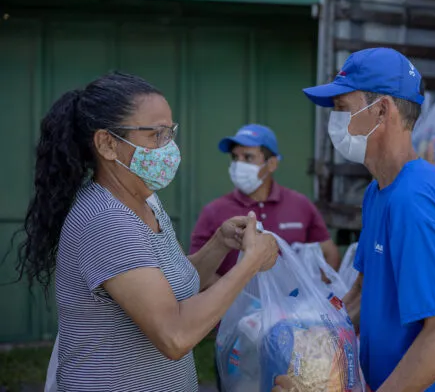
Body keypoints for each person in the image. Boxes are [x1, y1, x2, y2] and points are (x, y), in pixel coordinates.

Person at [15, 72, 278, 392]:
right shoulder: (106, 221)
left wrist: (220, 244)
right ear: (107, 144)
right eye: (156, 135)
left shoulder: (146, 201)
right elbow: (174, 335)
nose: (169, 148)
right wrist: (249, 263)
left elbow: (170, 286)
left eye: (170, 133)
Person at [275, 48, 435, 392]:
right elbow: (363, 291)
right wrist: (307, 344)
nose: (335, 121)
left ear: (381, 110)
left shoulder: (413, 200)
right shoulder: (379, 192)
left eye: (342, 109)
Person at [190, 123, 340, 287]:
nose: (238, 165)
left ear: (272, 164)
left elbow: (329, 254)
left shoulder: (300, 204)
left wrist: (311, 296)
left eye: (248, 157)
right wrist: (236, 300)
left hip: (292, 309)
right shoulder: (214, 211)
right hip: (233, 309)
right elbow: (195, 271)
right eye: (235, 157)